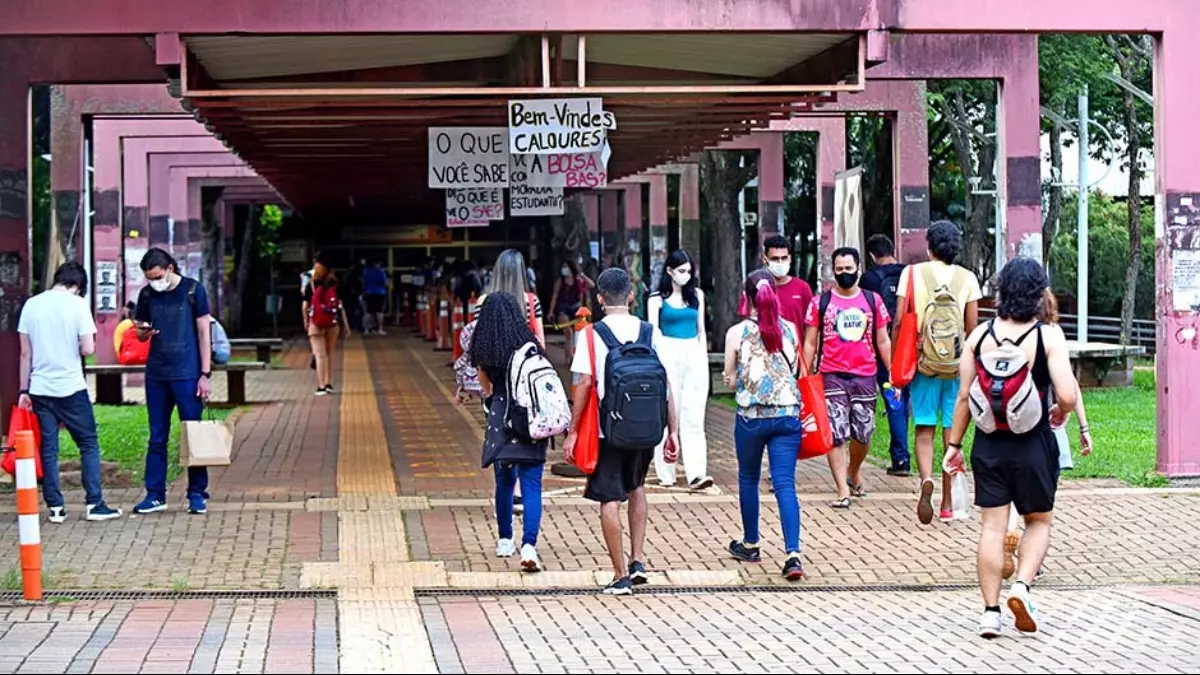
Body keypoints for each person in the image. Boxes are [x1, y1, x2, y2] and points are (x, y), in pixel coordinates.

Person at [942, 257, 1079, 638]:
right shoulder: (1047, 336)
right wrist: (1061, 411)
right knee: (1038, 520)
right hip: (1033, 442)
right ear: (1038, 294)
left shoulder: (979, 337)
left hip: (988, 444)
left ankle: (989, 613)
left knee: (992, 527)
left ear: (1001, 291)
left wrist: (953, 445)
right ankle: (1021, 587)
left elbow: (963, 398)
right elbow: (1067, 393)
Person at [564, 268, 679, 595]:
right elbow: (666, 383)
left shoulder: (591, 334)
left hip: (608, 431)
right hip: (647, 428)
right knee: (637, 487)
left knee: (609, 498)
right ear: (631, 295)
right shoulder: (650, 331)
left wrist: (572, 431)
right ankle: (637, 560)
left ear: (599, 299)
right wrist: (673, 432)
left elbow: (584, 384)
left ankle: (619, 575)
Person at [17, 262, 122, 523]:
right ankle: (94, 503)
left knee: (49, 448)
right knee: (87, 443)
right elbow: (88, 349)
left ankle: (55, 507)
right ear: (78, 286)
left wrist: (23, 389)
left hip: (40, 388)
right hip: (71, 387)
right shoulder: (77, 306)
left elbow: (25, 353)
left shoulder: (32, 305)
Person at [893, 221, 982, 525]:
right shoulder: (968, 278)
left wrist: (897, 362)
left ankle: (925, 479)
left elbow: (898, 321)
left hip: (923, 363)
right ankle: (946, 503)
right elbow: (972, 330)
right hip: (956, 367)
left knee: (923, 428)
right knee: (950, 433)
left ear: (929, 247)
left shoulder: (912, 273)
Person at [722, 269, 805, 581]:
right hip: (787, 417)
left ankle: (752, 542)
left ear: (748, 296)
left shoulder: (737, 333)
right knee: (785, 484)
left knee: (748, 478)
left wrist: (732, 378)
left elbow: (730, 380)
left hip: (751, 419)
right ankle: (793, 554)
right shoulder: (790, 330)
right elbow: (794, 368)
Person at [804, 248, 892, 509]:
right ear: (833, 271)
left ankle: (854, 471)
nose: (844, 274)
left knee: (863, 434)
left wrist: (894, 372)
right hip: (832, 376)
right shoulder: (820, 302)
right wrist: (804, 374)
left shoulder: (873, 301)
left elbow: (883, 339)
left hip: (865, 375)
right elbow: (810, 342)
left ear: (859, 269)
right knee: (837, 433)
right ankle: (842, 489)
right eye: (839, 270)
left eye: (848, 269)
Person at [469, 293, 549, 573]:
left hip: (501, 418)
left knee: (504, 481)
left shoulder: (484, 348)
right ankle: (529, 544)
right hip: (530, 417)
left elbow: (487, 390)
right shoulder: (529, 345)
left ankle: (505, 539)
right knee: (532, 484)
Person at [132, 248, 214, 515]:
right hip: (157, 373)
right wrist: (143, 334)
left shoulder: (193, 290)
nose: (154, 282)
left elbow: (204, 332)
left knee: (193, 434)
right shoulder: (146, 295)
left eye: (157, 276)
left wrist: (205, 373)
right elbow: (141, 330)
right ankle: (155, 494)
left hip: (187, 372)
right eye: (149, 278)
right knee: (157, 436)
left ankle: (197, 493)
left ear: (169, 268)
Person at [646, 249, 712, 491]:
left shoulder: (697, 295)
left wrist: (701, 357)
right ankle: (666, 472)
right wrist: (658, 360)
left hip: (693, 354)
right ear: (669, 271)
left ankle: (697, 472)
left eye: (689, 271)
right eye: (681, 270)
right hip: (667, 354)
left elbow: (701, 329)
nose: (686, 275)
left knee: (694, 415)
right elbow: (654, 332)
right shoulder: (656, 299)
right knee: (667, 413)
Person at [860, 234, 911, 476]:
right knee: (904, 398)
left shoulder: (869, 279)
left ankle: (901, 458)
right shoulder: (910, 273)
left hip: (882, 347)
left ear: (872, 256)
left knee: (893, 400)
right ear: (892, 249)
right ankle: (900, 453)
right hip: (909, 345)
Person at [303, 263, 351, 395]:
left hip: (316, 323)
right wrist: (346, 326)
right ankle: (329, 383)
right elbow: (340, 307)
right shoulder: (335, 285)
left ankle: (321, 386)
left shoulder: (311, 286)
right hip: (332, 324)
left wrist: (306, 322)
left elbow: (305, 306)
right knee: (329, 354)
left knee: (320, 355)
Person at [486, 249, 545, 347]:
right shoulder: (532, 301)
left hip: (495, 359)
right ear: (520, 272)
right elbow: (540, 342)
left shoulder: (485, 301)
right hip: (523, 359)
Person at [761, 235, 814, 334]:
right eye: (775, 259)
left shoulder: (802, 288)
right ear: (765, 259)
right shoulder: (759, 288)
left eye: (784, 258)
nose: (780, 262)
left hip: (797, 348)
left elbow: (811, 325)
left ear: (789, 258)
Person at [548, 260, 594, 365]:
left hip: (576, 308)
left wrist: (582, 275)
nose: (564, 269)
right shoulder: (560, 281)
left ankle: (577, 356)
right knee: (568, 332)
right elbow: (554, 296)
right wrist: (551, 312)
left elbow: (592, 285)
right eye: (563, 266)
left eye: (566, 266)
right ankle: (569, 358)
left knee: (580, 333)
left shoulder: (579, 280)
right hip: (562, 308)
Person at [362, 260, 389, 336]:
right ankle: (380, 329)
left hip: (369, 293)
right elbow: (385, 283)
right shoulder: (381, 272)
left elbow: (364, 283)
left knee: (368, 312)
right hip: (380, 293)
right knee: (379, 312)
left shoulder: (366, 272)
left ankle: (366, 330)